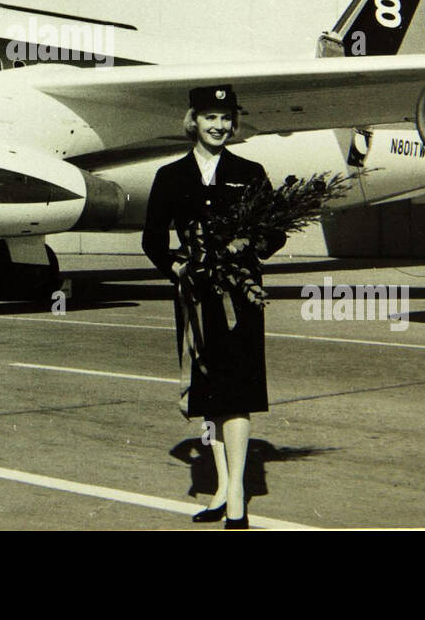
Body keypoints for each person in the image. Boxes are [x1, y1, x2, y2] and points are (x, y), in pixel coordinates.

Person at [141, 84, 280, 529]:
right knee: (211, 395)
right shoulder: (170, 176)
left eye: (226, 118)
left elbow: (273, 233)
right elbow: (152, 238)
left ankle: (237, 498)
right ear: (193, 121)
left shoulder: (250, 171)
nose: (219, 126)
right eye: (210, 117)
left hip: (241, 295)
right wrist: (176, 268)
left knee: (236, 392)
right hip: (196, 297)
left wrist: (252, 242)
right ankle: (221, 489)